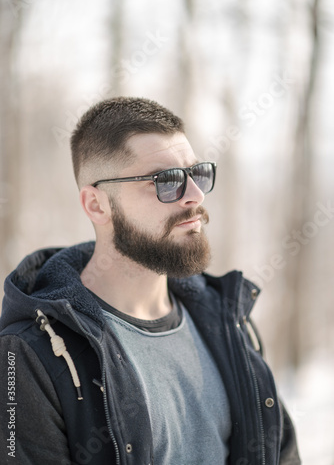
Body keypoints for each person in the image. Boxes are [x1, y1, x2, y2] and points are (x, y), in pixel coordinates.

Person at [0, 97, 300, 464]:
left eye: (197, 173)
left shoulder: (227, 320)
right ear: (97, 205)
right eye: (166, 181)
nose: (195, 196)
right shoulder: (31, 355)